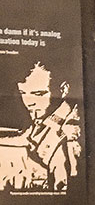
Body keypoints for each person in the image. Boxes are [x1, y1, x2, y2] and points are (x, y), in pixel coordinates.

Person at [1, 62, 81, 191]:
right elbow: (26, 138)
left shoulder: (70, 134)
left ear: (64, 90)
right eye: (23, 92)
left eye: (38, 94)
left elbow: (63, 192)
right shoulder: (43, 119)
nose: (29, 102)